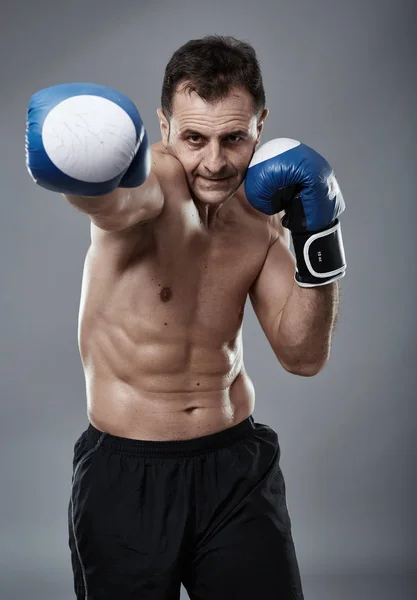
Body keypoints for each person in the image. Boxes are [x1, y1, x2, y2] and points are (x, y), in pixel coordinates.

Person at [26, 35, 346, 600]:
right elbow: (112, 203)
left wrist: (319, 242)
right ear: (165, 126)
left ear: (260, 126)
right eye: (195, 137)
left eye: (234, 138)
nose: (215, 162)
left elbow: (303, 356)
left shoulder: (262, 213)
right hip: (129, 476)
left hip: (236, 469)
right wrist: (82, 160)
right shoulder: (154, 185)